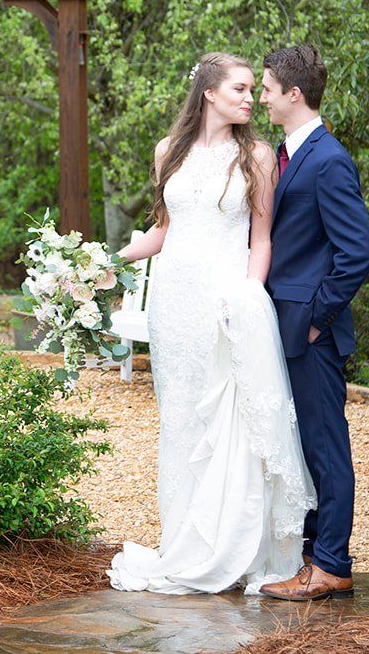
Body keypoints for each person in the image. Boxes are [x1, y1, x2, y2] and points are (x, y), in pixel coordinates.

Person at [107, 52, 312, 595]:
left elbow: (261, 239)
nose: (251, 99)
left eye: (253, 90)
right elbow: (161, 233)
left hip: (224, 305)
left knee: (229, 422)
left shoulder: (258, 157)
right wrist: (101, 263)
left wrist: (247, 295)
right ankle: (183, 542)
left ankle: (233, 545)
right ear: (209, 94)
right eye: (241, 89)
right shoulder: (166, 152)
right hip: (173, 306)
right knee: (181, 422)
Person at [255, 44, 369, 602]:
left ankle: (331, 564)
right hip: (279, 323)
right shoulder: (284, 154)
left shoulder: (328, 160)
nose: (261, 95)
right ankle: (310, 557)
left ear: (293, 94)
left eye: (267, 87)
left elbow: (358, 254)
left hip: (311, 330)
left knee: (326, 448)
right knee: (303, 445)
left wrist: (316, 320)